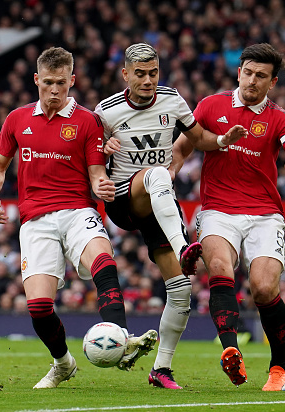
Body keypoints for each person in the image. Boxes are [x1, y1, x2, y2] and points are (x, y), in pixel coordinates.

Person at [0, 47, 157, 389]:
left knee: (104, 262)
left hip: (78, 211)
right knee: (38, 307)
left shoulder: (87, 121)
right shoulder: (17, 119)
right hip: (35, 219)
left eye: (61, 83)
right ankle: (63, 363)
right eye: (48, 82)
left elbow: (96, 172)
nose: (54, 89)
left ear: (72, 80)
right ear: (36, 79)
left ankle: (121, 336)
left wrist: (102, 186)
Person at [96, 43, 247, 390]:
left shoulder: (172, 100)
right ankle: (183, 248)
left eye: (153, 73)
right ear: (125, 74)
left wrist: (223, 140)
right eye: (140, 74)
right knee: (158, 174)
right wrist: (102, 149)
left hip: (159, 204)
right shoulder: (106, 111)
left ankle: (161, 369)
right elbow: (88, 156)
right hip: (124, 198)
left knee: (180, 289)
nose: (148, 80)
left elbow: (198, 138)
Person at [172, 43, 285, 390]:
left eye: (261, 76)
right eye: (248, 73)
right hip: (217, 209)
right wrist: (167, 176)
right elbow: (181, 148)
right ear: (239, 73)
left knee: (264, 289)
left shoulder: (280, 117)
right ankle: (230, 349)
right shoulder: (211, 105)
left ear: (272, 82)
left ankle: (280, 367)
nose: (252, 80)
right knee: (220, 266)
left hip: (264, 213)